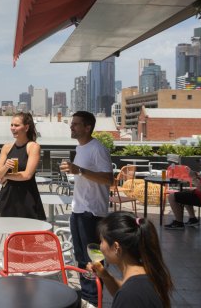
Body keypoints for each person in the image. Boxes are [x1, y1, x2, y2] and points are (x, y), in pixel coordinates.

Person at [60, 111, 113, 307]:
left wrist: (79, 170)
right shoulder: (80, 148)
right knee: (81, 257)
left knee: (93, 258)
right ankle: (87, 295)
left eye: (75, 124)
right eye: (71, 123)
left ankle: (92, 298)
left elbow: (108, 179)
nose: (71, 127)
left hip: (92, 212)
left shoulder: (97, 148)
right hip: (79, 209)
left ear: (87, 127)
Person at [86, 212, 173, 308]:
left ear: (116, 248)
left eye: (102, 241)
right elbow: (124, 292)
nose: (100, 247)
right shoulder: (147, 275)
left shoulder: (130, 295)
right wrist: (105, 276)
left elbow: (127, 297)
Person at [0, 112, 46, 220]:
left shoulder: (33, 146)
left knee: (28, 234)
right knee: (10, 234)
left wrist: (7, 176)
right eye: (12, 125)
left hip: (26, 196)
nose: (13, 128)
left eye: (16, 125)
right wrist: (6, 167)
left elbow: (27, 175)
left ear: (26, 127)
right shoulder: (6, 147)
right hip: (8, 195)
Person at [164, 151, 201, 230]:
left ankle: (179, 223)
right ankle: (192, 219)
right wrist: (199, 178)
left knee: (171, 197)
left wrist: (193, 177)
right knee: (186, 193)